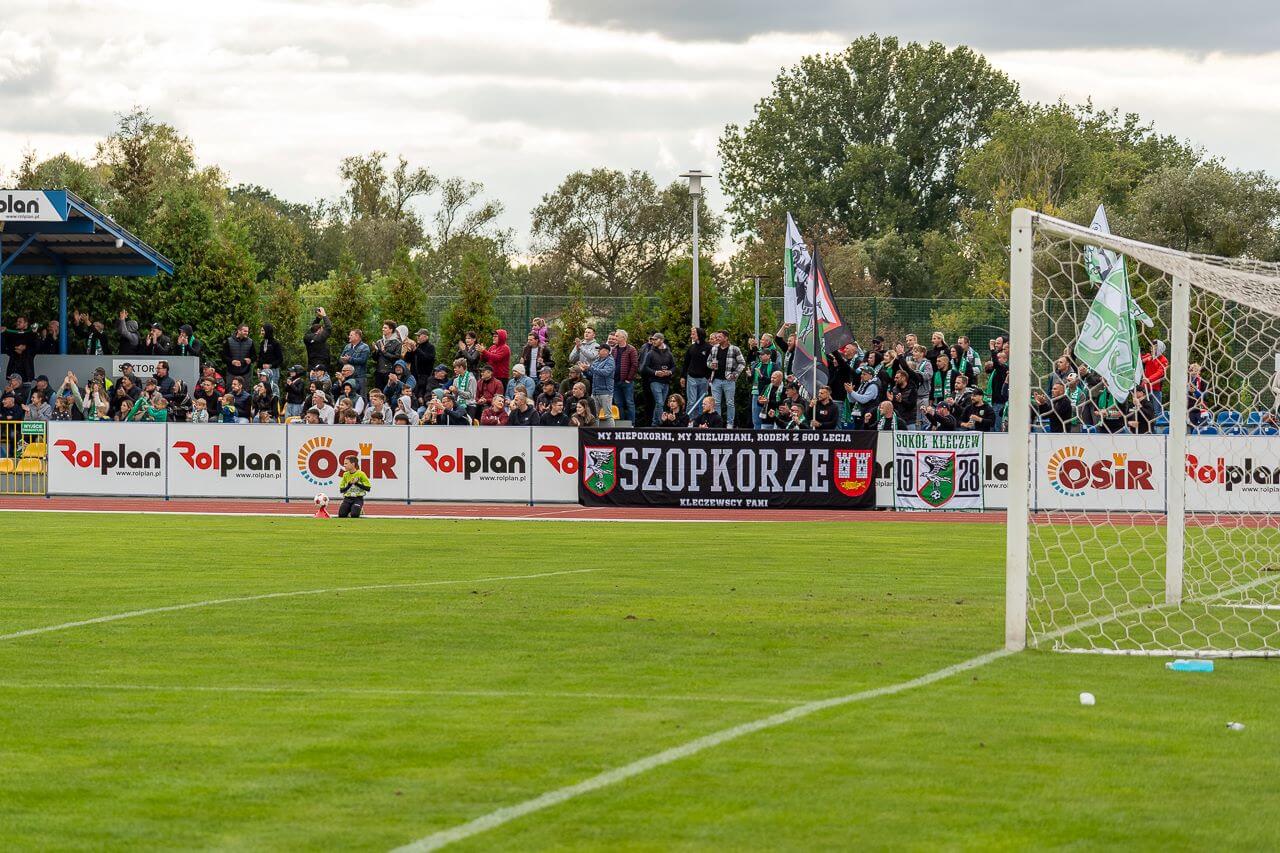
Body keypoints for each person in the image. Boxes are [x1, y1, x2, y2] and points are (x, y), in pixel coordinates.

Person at [706, 330, 744, 427]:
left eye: (719, 337)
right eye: (717, 337)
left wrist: (735, 374)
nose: (717, 338)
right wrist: (711, 365)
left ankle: (730, 424)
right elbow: (708, 362)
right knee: (716, 403)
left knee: (730, 403)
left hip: (729, 380)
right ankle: (718, 424)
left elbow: (742, 363)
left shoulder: (735, 349)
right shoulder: (714, 348)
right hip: (715, 380)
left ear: (726, 338)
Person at [639, 333, 676, 426]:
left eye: (656, 339)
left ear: (662, 340)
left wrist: (669, 372)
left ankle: (655, 423)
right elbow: (643, 368)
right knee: (659, 402)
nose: (653, 341)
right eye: (652, 339)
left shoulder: (669, 353)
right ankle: (661, 423)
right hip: (655, 381)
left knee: (660, 403)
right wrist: (655, 372)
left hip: (666, 381)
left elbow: (674, 367)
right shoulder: (650, 353)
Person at [681, 327, 711, 416]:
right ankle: (689, 420)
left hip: (704, 379)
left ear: (699, 335)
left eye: (693, 334)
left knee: (702, 402)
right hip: (691, 378)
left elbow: (712, 363)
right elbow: (686, 363)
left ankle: (699, 421)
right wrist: (683, 376)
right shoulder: (691, 347)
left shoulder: (709, 348)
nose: (691, 336)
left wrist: (708, 376)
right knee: (692, 401)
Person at [612, 329, 638, 425]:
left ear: (623, 338)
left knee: (629, 403)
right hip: (615, 381)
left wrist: (628, 379)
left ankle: (631, 424)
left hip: (627, 382)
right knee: (618, 403)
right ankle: (621, 424)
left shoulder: (631, 349)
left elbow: (634, 365)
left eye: (617, 336)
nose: (615, 337)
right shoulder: (614, 349)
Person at [586, 344, 616, 427]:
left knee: (608, 415)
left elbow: (605, 372)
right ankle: (594, 433)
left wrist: (590, 368)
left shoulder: (610, 361)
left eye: (600, 349)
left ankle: (612, 433)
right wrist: (585, 370)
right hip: (595, 392)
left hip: (605, 392)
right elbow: (592, 374)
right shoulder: (597, 360)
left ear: (606, 351)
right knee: (594, 415)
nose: (598, 351)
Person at [372, 322, 402, 391]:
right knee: (378, 392)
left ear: (391, 330)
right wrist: (375, 351)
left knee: (389, 392)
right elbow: (375, 359)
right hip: (379, 371)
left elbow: (396, 358)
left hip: (390, 372)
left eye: (385, 328)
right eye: (383, 327)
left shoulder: (397, 343)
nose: (383, 329)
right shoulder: (379, 342)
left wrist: (384, 352)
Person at [304, 308, 333, 373]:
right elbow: (329, 327)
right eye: (322, 330)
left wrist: (318, 318)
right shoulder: (320, 338)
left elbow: (311, 329)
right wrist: (324, 315)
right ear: (319, 330)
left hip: (311, 367)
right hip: (321, 369)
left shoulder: (307, 337)